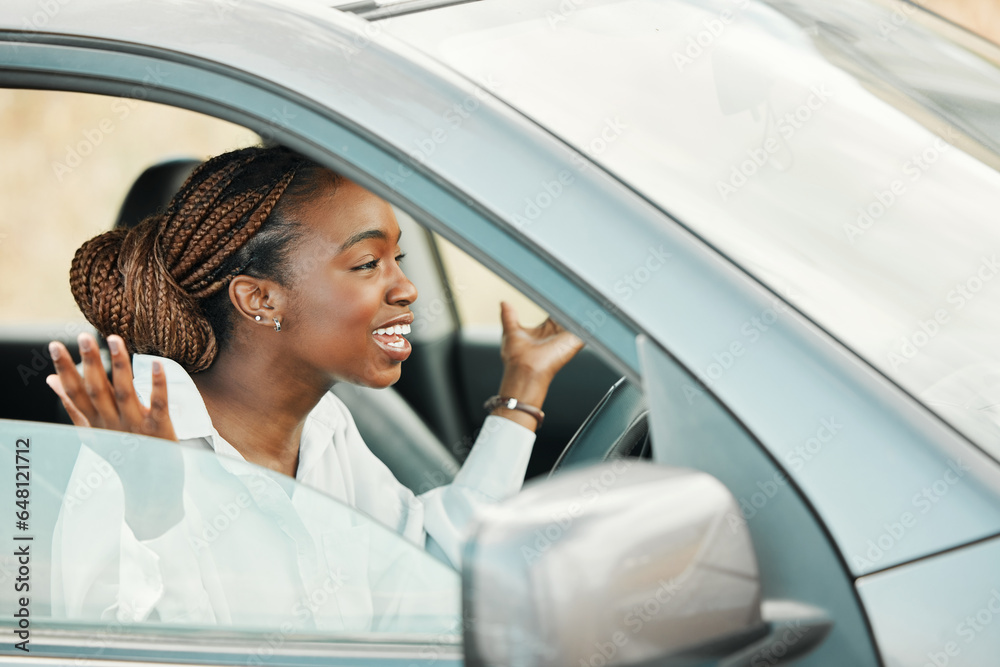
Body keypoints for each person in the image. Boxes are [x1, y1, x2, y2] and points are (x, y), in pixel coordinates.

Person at [45, 145, 583, 630]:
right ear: (260, 299)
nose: (407, 288)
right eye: (369, 263)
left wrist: (525, 382)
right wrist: (154, 515)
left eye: (400, 259)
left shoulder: (324, 428)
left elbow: (426, 580)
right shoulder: (132, 448)